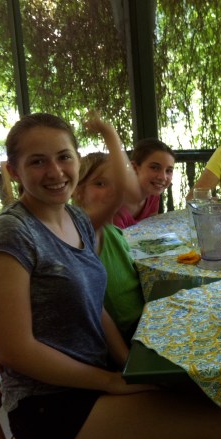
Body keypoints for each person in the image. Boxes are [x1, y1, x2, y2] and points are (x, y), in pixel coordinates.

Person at [0, 112, 221, 439]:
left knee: (206, 394)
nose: (55, 172)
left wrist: (128, 365)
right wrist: (112, 382)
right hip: (50, 407)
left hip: (91, 378)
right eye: (37, 161)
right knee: (219, 426)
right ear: (14, 170)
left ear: (76, 160)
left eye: (63, 157)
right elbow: (16, 350)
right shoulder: (11, 233)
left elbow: (93, 303)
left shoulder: (75, 218)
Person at [73, 111, 145, 344]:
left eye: (113, 183)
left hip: (143, 321)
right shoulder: (83, 232)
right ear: (78, 191)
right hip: (124, 336)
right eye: (100, 184)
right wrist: (109, 132)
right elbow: (130, 190)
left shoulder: (111, 230)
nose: (111, 190)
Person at [113, 137, 175, 228]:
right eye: (154, 167)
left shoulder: (153, 195)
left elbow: (151, 229)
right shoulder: (114, 204)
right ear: (134, 168)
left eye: (169, 170)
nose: (163, 177)